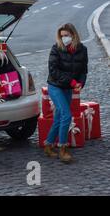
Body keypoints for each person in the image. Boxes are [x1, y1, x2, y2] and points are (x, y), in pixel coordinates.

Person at [44, 23, 88, 163]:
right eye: (62, 36)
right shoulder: (56, 49)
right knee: (66, 115)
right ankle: (63, 148)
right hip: (55, 86)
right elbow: (53, 71)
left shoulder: (82, 49)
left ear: (73, 35)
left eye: (66, 35)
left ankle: (48, 145)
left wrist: (80, 83)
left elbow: (83, 70)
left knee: (59, 118)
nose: (64, 38)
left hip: (68, 88)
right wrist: (72, 82)